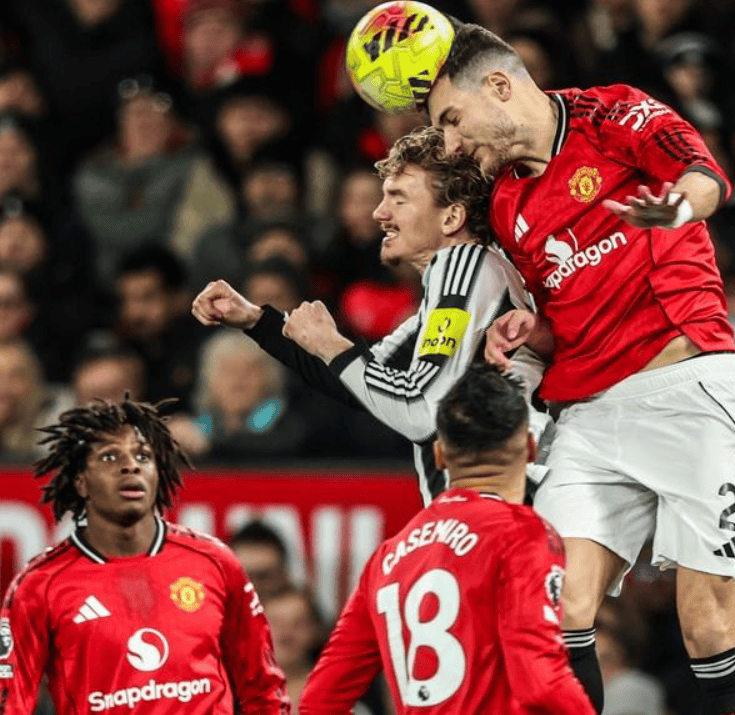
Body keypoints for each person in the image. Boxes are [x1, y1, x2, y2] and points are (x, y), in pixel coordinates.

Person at [427, 24, 735, 715]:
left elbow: (706, 176)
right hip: (589, 411)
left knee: (708, 625)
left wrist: (673, 207)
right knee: (554, 611)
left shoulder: (611, 114)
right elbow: (555, 317)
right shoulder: (504, 202)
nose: (450, 143)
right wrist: (524, 331)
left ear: (498, 87)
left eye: (449, 119)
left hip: (688, 384)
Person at [298, 364, 670, 715]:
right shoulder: (522, 534)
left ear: (440, 454)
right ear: (530, 448)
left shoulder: (389, 557)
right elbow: (541, 683)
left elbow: (321, 701)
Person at [0, 397, 310, 715]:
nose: (130, 467)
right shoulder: (40, 586)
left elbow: (264, 690)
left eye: (142, 455)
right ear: (79, 480)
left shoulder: (213, 563)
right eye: (109, 457)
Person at [192, 125, 541, 503]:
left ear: (451, 217)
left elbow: (420, 413)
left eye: (398, 199)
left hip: (503, 508)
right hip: (489, 508)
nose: (379, 213)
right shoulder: (458, 285)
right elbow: (357, 379)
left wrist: (330, 343)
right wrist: (257, 320)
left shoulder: (465, 267)